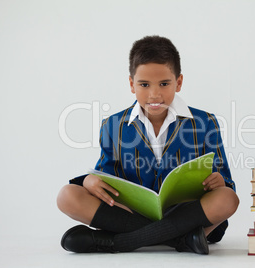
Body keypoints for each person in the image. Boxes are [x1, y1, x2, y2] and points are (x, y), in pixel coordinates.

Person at [57, 35, 239, 254]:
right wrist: (89, 182)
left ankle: (119, 243)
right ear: (132, 84)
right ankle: (182, 240)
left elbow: (226, 183)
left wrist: (220, 182)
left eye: (164, 84)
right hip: (132, 215)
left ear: (178, 82)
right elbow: (107, 178)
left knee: (227, 199)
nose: (154, 94)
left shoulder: (205, 122)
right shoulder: (113, 125)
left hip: (190, 216)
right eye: (144, 84)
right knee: (67, 195)